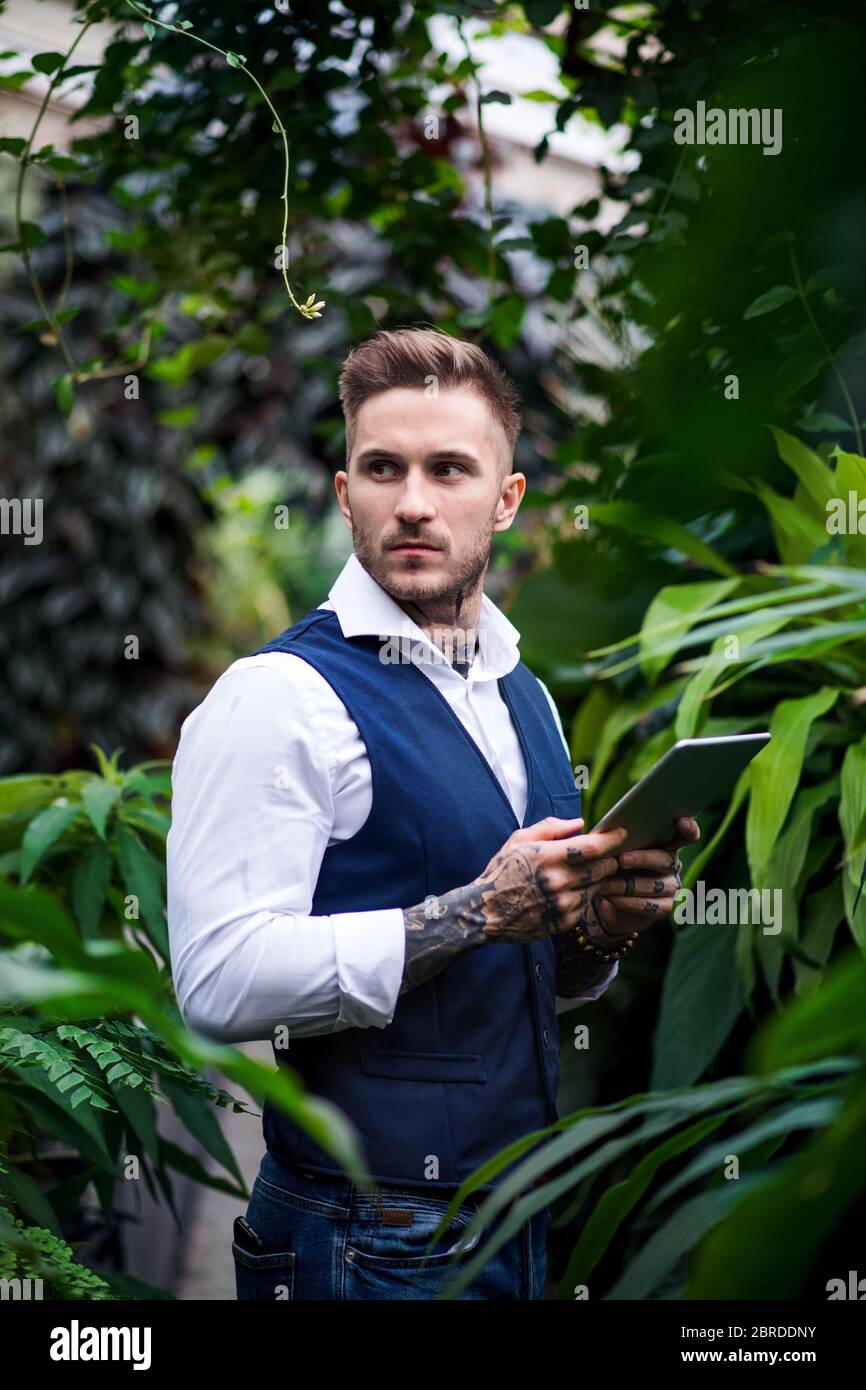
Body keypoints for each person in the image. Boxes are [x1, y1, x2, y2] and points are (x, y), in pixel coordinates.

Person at [166, 327, 699, 1300]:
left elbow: (531, 979)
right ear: (342, 493)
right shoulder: (277, 697)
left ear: (505, 500)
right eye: (382, 467)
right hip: (368, 1239)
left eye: (448, 468)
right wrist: (473, 911)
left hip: (522, 1212)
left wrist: (595, 935)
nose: (412, 502)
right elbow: (215, 979)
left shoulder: (525, 694)